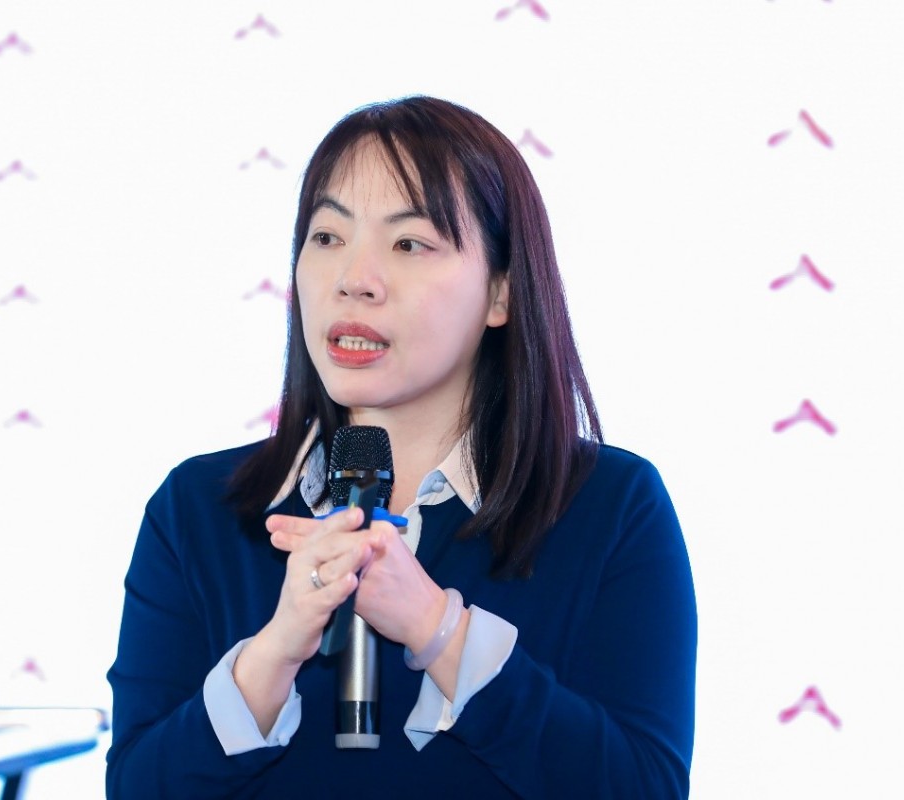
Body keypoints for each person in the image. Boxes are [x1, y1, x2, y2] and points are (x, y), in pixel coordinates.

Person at [106, 96, 696, 799]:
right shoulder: (198, 509)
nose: (354, 279)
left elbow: (644, 788)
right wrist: (274, 653)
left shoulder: (610, 507)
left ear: (501, 292)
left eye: (409, 243)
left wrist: (436, 628)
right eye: (328, 236)